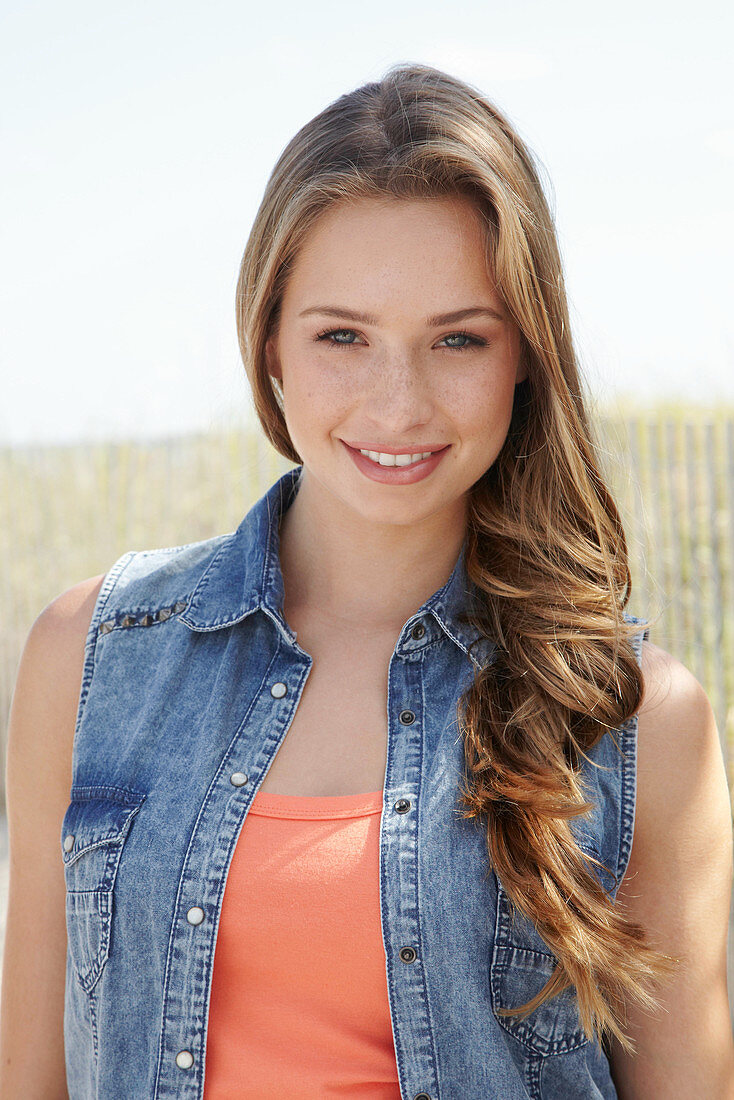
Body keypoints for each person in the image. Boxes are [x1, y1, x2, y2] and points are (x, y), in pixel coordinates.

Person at [1, 62, 732, 1100]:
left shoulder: (634, 720)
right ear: (269, 345)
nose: (398, 403)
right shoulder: (86, 659)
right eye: (342, 335)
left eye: (456, 338)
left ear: (524, 351)